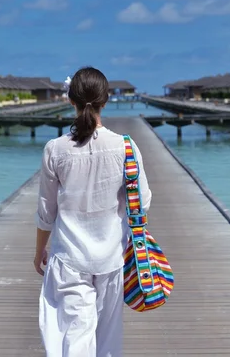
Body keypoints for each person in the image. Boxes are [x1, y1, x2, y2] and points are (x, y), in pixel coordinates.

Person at [34, 67, 152, 357]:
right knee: (108, 341)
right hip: (112, 258)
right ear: (106, 100)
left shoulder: (55, 149)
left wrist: (39, 251)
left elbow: (46, 212)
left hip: (69, 259)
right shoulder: (126, 147)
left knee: (74, 336)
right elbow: (144, 202)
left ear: (70, 100)